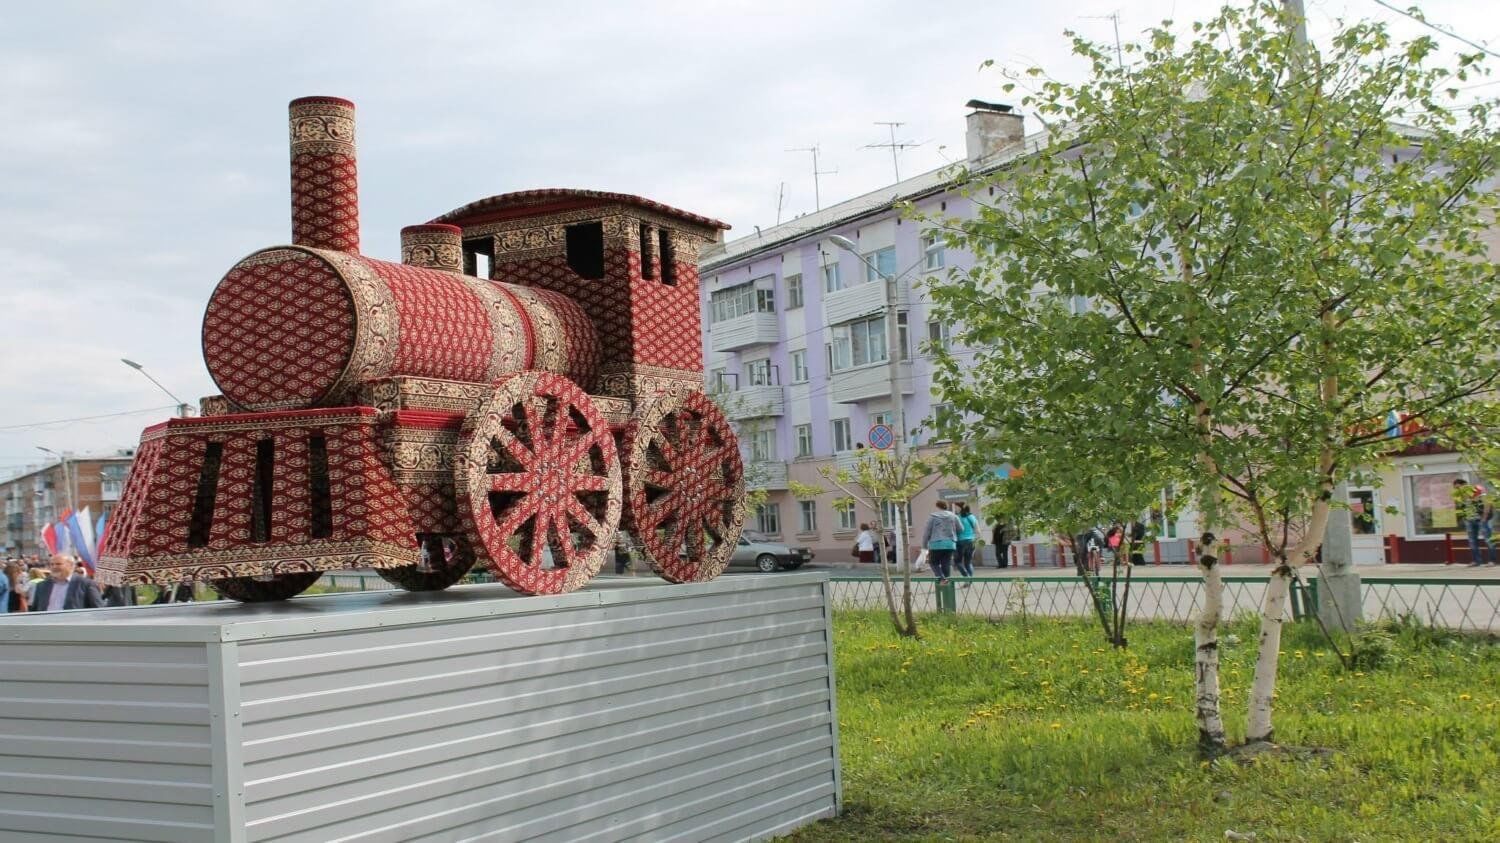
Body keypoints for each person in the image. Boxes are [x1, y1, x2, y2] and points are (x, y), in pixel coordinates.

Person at [29, 554, 104, 611]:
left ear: (71, 565)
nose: (54, 567)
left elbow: (98, 610)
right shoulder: (42, 585)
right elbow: (35, 610)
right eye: (51, 564)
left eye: (58, 564)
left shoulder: (86, 584)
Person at [922, 500, 962, 585]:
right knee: (946, 563)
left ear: (937, 506)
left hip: (936, 544)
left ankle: (942, 579)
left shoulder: (933, 517)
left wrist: (924, 546)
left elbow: (926, 532)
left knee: (933, 562)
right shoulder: (953, 516)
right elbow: (961, 529)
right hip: (950, 543)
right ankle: (947, 585)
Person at [1454, 478, 1491, 567]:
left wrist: (1484, 517)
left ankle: (1492, 561)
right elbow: (1462, 507)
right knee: (1472, 542)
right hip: (1469, 520)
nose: (1458, 490)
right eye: (1456, 488)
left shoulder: (1477, 489)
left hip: (1481, 519)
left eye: (1459, 487)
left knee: (1488, 540)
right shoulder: (1460, 496)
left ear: (1465, 484)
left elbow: (1487, 502)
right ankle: (1476, 561)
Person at [954, 503, 979, 579]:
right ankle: (969, 580)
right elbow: (977, 530)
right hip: (971, 541)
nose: (955, 509)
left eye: (956, 507)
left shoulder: (957, 517)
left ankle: (966, 576)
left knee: (958, 562)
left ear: (961, 508)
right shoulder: (972, 517)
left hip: (960, 542)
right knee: (968, 563)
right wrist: (976, 540)